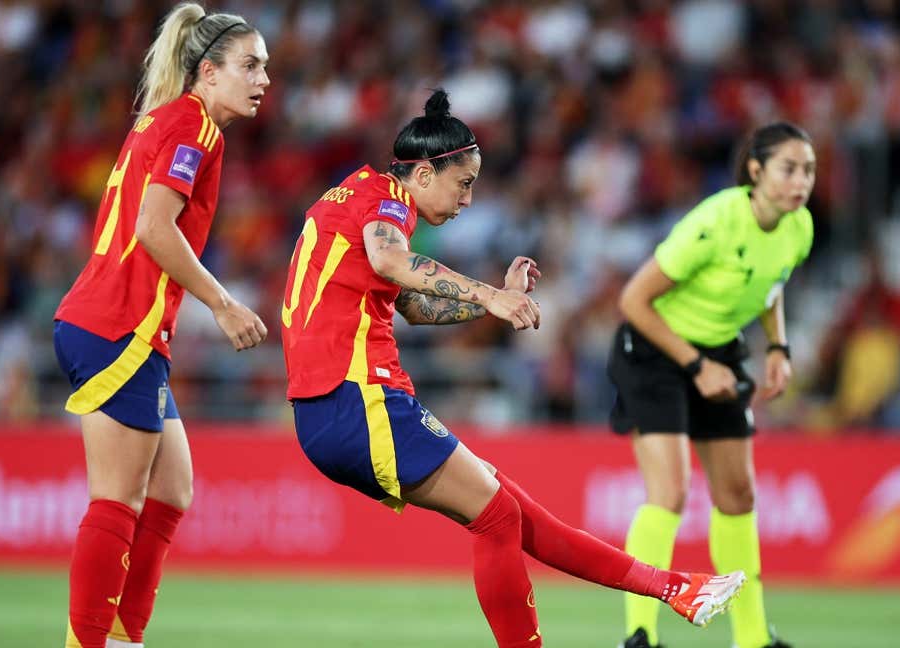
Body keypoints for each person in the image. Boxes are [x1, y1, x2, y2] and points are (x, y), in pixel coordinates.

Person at [281, 89, 746, 648]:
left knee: (520, 515)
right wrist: (488, 294)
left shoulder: (354, 196)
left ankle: (677, 589)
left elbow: (413, 305)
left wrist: (490, 300)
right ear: (424, 174)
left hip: (338, 406)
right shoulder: (387, 201)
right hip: (356, 398)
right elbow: (390, 259)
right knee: (498, 517)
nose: (469, 200)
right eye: (465, 183)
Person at [52, 4, 270, 647]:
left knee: (172, 488)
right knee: (117, 498)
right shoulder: (195, 126)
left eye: (267, 68)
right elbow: (153, 227)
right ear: (208, 71)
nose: (264, 79)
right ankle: (92, 642)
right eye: (251, 65)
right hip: (118, 324)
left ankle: (122, 635)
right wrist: (223, 303)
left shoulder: (172, 118)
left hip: (115, 323)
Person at [609, 122, 816, 648]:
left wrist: (778, 347)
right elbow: (633, 300)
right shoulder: (716, 222)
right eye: (789, 169)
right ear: (755, 170)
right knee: (671, 491)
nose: (801, 182)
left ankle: (752, 639)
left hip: (719, 353)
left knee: (739, 494)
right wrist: (697, 366)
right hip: (655, 352)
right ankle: (639, 635)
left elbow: (772, 286)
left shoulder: (799, 228)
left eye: (808, 170)